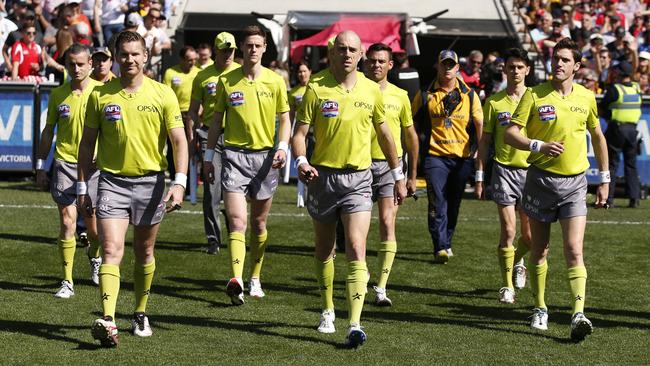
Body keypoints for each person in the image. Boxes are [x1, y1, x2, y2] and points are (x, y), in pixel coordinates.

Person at [292, 31, 407, 348]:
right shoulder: (316, 87)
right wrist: (301, 161)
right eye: (341, 48)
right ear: (331, 53)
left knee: (356, 247)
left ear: (361, 55)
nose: (346, 53)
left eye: (352, 49)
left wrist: (398, 174)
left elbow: (385, 136)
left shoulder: (371, 90)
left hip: (359, 179)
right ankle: (327, 308)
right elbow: (299, 133)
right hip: (322, 178)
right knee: (324, 249)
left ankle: (355, 323)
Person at [78, 31, 187, 347]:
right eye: (124, 54)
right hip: (112, 183)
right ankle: (108, 319)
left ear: (146, 55)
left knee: (145, 251)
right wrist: (84, 184)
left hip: (151, 184)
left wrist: (179, 182)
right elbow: (87, 145)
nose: (130, 59)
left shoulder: (163, 94)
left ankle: (140, 311)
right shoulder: (100, 95)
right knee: (112, 249)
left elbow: (179, 140)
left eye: (136, 54)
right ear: (115, 56)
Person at [504, 38, 609, 342]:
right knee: (540, 249)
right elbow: (511, 133)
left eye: (565, 59)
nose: (558, 63)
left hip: (576, 183)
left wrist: (604, 178)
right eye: (555, 58)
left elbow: (598, 137)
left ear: (577, 65)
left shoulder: (587, 97)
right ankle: (540, 308)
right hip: (540, 180)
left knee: (574, 249)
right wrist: (538, 145)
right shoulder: (534, 94)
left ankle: (578, 314)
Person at [203, 25, 290, 305]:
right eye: (248, 45)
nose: (253, 49)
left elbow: (286, 118)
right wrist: (207, 157)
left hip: (265, 159)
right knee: (237, 221)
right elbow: (216, 120)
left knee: (259, 222)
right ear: (242, 47)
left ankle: (255, 277)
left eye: (258, 45)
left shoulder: (276, 81)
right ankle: (236, 280)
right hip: (233, 157)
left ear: (265, 48)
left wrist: (283, 146)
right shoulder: (227, 81)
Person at [35, 44, 103, 299]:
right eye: (71, 63)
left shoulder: (102, 92)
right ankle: (67, 281)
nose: (76, 68)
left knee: (95, 231)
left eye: (81, 63)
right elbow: (47, 132)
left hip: (95, 168)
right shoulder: (58, 95)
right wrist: (41, 165)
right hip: (64, 163)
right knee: (67, 222)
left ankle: (94, 257)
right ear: (65, 65)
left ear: (90, 65)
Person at [411, 49, 483, 264]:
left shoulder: (470, 94)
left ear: (458, 68)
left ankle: (447, 241)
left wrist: (479, 148)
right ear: (438, 66)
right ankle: (439, 245)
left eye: (452, 64)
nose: (448, 68)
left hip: (462, 158)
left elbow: (480, 123)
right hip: (435, 157)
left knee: (454, 203)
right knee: (437, 201)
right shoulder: (425, 94)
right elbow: (411, 123)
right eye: (444, 64)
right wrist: (413, 145)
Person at [362, 43, 418, 306]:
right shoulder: (356, 90)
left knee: (387, 221)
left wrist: (411, 175)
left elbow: (411, 137)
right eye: (372, 61)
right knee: (358, 229)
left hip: (389, 168)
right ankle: (361, 271)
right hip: (358, 166)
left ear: (390, 65)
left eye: (381, 61)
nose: (376, 65)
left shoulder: (400, 95)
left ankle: (381, 287)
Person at [476, 48, 533, 305]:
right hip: (503, 170)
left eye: (520, 67)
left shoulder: (537, 99)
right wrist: (480, 173)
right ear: (505, 69)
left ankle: (518, 260)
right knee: (508, 229)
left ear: (527, 70)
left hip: (532, 172)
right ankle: (506, 284)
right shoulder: (495, 102)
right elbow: (485, 139)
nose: (516, 71)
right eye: (511, 67)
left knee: (530, 238)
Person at [188, 32, 240, 255]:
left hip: (236, 137)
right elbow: (192, 110)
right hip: (210, 135)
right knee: (212, 187)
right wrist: (194, 136)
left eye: (231, 50)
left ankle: (235, 234)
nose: (228, 54)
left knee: (235, 187)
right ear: (215, 51)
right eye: (224, 50)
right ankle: (213, 239)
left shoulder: (241, 73)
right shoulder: (202, 76)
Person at [600, 61, 642, 208]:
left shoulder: (615, 89)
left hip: (617, 129)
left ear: (619, 73)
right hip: (633, 130)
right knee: (631, 165)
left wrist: (608, 115)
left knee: (612, 163)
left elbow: (603, 106)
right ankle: (634, 199)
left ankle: (608, 199)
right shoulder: (636, 88)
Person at [288, 61, 312, 208]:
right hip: (300, 135)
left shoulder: (314, 88)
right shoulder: (293, 93)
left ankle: (314, 194)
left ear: (310, 71)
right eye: (299, 72)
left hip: (315, 133)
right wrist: (290, 134)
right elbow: (290, 116)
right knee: (302, 163)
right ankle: (301, 196)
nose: (302, 74)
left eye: (305, 71)